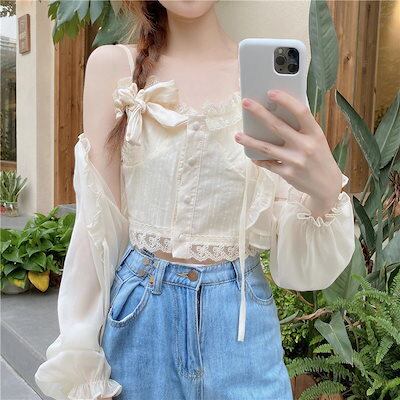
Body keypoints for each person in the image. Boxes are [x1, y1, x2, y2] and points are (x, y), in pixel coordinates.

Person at [34, 1, 355, 399]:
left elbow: (295, 262)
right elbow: (97, 225)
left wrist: (324, 192)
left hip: (241, 328)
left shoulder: (262, 80)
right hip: (140, 324)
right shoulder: (113, 67)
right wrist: (82, 356)